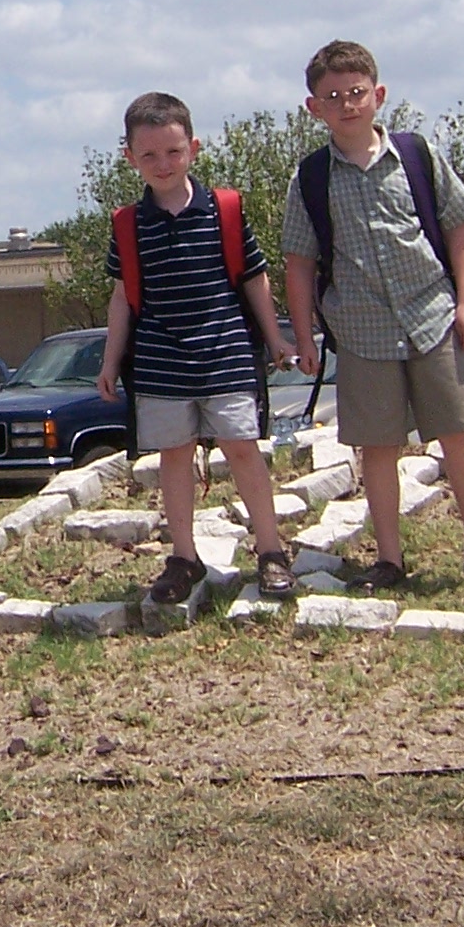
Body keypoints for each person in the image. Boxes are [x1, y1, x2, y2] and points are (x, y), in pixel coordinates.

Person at [279, 40, 464, 587]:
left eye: (357, 92)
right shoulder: (311, 178)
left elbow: (458, 231)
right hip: (362, 330)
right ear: (313, 107)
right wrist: (305, 337)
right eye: (333, 96)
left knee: (459, 433)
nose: (347, 104)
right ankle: (389, 560)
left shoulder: (418, 155)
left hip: (434, 318)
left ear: (379, 95)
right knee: (378, 448)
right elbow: (298, 263)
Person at [95, 91, 301, 604]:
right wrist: (109, 360)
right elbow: (122, 296)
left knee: (242, 450)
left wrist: (275, 339)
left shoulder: (225, 209)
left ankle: (271, 552)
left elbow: (254, 277)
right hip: (160, 358)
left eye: (173, 151)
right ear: (130, 157)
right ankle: (184, 557)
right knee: (174, 456)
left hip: (226, 350)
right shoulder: (127, 223)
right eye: (149, 155)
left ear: (194, 148)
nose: (162, 164)